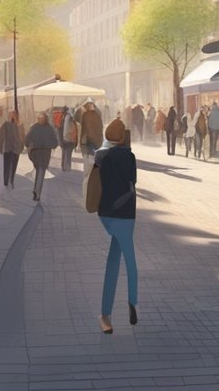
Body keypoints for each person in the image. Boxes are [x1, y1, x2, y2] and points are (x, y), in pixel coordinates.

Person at [95, 118, 138, 334]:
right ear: (123, 137)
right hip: (127, 213)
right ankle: (132, 301)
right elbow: (133, 181)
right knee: (129, 260)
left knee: (113, 259)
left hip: (108, 213)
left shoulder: (101, 156)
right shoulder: (130, 157)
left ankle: (105, 315)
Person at [24, 112, 59, 202]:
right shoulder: (49, 128)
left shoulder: (34, 127)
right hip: (45, 153)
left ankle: (36, 191)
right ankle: (37, 192)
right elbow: (55, 142)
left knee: (39, 170)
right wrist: (50, 145)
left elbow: (27, 140)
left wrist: (29, 145)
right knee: (41, 172)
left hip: (35, 153)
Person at [0, 110, 24, 189]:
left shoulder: (20, 126)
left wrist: (21, 146)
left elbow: (22, 137)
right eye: (12, 115)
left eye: (14, 115)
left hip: (15, 149)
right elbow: (0, 135)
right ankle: (6, 182)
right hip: (8, 148)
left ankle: (11, 180)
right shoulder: (6, 124)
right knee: (7, 166)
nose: (13, 117)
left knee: (13, 166)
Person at [60, 104, 79, 171]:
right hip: (69, 139)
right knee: (68, 155)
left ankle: (64, 167)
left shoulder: (64, 118)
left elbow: (61, 129)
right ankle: (67, 168)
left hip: (65, 139)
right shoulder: (70, 118)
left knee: (65, 154)